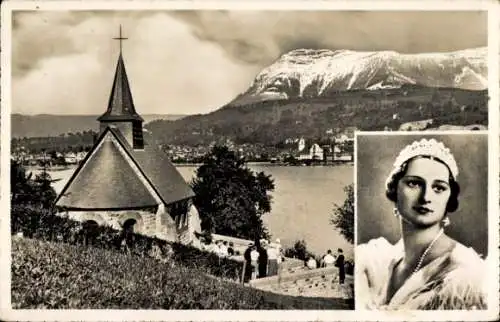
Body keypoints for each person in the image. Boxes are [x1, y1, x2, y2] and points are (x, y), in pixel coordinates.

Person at [357, 138, 487, 310]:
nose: (426, 197)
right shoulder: (380, 258)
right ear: (395, 190)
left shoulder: (464, 273)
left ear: (449, 198)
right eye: (414, 183)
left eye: (439, 188)